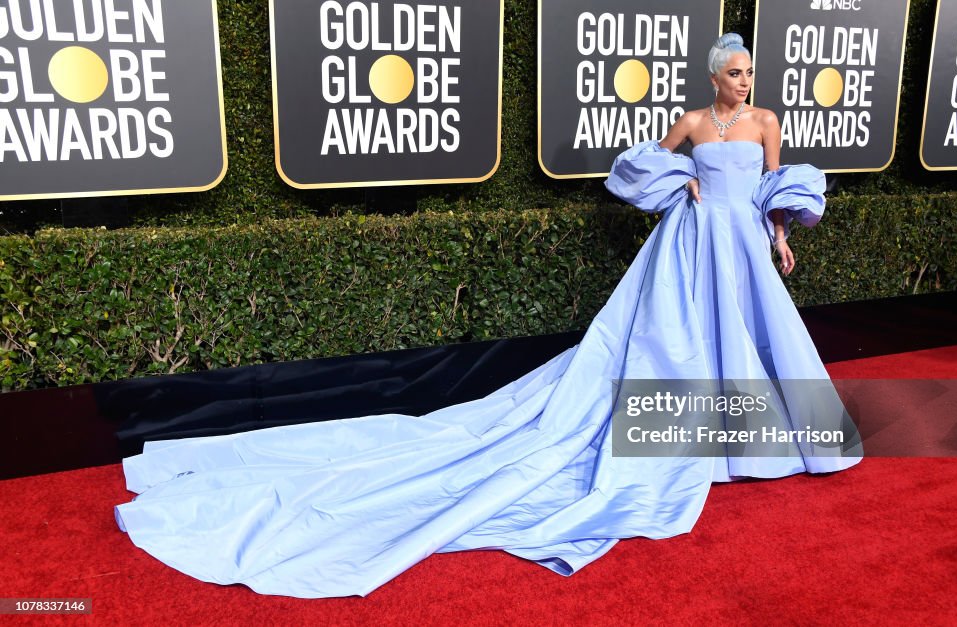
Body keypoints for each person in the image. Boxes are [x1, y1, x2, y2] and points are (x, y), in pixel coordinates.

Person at [114, 33, 860, 599]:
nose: (745, 82)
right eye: (735, 72)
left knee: (749, 343)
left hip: (742, 247)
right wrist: (681, 183)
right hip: (690, 246)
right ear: (712, 75)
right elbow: (637, 165)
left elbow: (770, 191)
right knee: (681, 345)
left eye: (750, 72)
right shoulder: (693, 121)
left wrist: (780, 237)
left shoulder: (765, 121)